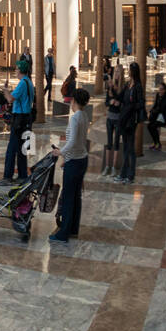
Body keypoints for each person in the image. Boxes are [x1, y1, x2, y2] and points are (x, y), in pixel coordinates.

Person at [49, 87, 92, 242]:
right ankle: (73, 228)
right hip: (81, 159)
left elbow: (72, 141)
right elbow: (80, 141)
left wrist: (61, 153)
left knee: (68, 197)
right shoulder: (85, 115)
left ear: (73, 100)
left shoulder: (75, 118)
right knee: (76, 196)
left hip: (74, 161)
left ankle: (63, 233)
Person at [2, 59, 35, 181]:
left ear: (20, 70)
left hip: (19, 119)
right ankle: (22, 175)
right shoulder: (28, 82)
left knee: (12, 149)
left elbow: (10, 99)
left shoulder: (22, 83)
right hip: (26, 118)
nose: (15, 71)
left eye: (16, 69)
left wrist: (5, 90)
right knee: (22, 150)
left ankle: (7, 177)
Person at [114, 61, 145, 184]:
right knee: (126, 147)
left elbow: (141, 103)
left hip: (131, 120)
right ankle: (124, 174)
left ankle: (129, 175)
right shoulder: (127, 84)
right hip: (124, 118)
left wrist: (131, 107)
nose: (129, 71)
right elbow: (120, 96)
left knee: (130, 149)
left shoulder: (137, 86)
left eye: (130, 69)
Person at [102, 65, 124, 177]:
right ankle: (107, 166)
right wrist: (110, 102)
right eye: (115, 71)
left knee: (116, 143)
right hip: (110, 118)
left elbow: (125, 103)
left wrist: (119, 104)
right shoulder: (110, 87)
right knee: (109, 142)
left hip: (118, 118)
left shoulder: (123, 88)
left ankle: (115, 167)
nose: (116, 74)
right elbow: (106, 102)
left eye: (118, 72)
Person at [148, 79, 166, 150]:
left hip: (164, 117)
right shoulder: (158, 95)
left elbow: (163, 108)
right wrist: (151, 111)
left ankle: (158, 143)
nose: (160, 91)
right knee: (149, 126)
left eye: (161, 89)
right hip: (158, 116)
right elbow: (156, 105)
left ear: (164, 90)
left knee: (153, 126)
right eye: (159, 89)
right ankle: (155, 142)